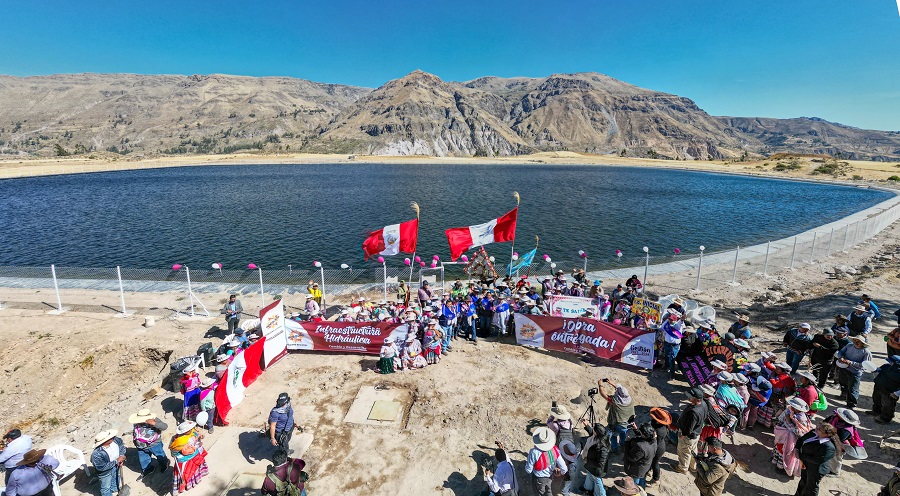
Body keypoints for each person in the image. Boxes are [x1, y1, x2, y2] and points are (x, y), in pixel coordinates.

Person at [772, 397, 813, 477]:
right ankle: (776, 460)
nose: (792, 407)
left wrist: (789, 421)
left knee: (787, 452)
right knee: (779, 448)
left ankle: (782, 467)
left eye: (794, 406)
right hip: (782, 435)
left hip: (791, 439)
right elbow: (780, 419)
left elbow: (799, 433)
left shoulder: (802, 419)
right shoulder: (789, 410)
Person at [794, 423, 839, 496]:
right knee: (803, 481)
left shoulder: (828, 446)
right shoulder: (813, 433)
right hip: (806, 464)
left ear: (826, 434)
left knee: (810, 487)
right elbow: (801, 439)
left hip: (816, 469)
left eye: (819, 429)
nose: (816, 429)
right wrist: (796, 448)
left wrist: (800, 455)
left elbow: (817, 460)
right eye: (817, 427)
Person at [671, 387, 708, 474]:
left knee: (684, 452)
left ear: (697, 399)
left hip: (688, 436)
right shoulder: (704, 404)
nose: (689, 398)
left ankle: (683, 468)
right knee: (693, 450)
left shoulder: (694, 412)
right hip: (696, 434)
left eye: (691, 397)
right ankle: (693, 467)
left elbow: (689, 428)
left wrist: (683, 434)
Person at [525, 426, 568, 496]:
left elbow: (528, 470)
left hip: (539, 478)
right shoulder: (555, 450)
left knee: (540, 493)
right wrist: (560, 473)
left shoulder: (533, 452)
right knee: (549, 492)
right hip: (550, 477)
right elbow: (564, 469)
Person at [129, 409, 170, 481]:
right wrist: (135, 442)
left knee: (160, 454)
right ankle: (147, 469)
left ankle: (164, 464)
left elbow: (164, 426)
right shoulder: (137, 423)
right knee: (143, 459)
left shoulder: (155, 420)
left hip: (154, 444)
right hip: (141, 446)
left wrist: (154, 424)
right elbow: (135, 433)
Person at [169, 421, 209, 494]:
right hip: (186, 460)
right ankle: (188, 484)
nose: (193, 429)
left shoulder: (192, 432)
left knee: (196, 469)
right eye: (190, 429)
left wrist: (201, 436)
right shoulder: (180, 441)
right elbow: (185, 452)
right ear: (186, 431)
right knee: (187, 473)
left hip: (195, 455)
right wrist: (197, 446)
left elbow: (198, 435)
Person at [836, 335, 873, 409]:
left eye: (859, 341)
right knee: (843, 383)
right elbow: (841, 352)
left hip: (855, 372)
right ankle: (843, 395)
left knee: (853, 389)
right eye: (855, 340)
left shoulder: (866, 352)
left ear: (863, 343)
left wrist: (850, 363)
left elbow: (865, 365)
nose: (856, 342)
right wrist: (841, 357)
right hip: (844, 368)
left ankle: (852, 404)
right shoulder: (849, 346)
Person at [597, 379, 635, 453]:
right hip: (627, 423)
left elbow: (602, 393)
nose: (615, 392)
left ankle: (615, 449)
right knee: (623, 435)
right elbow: (622, 391)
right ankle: (623, 447)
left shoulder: (615, 401)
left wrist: (600, 384)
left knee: (614, 436)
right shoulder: (629, 399)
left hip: (618, 423)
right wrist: (612, 383)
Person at [825, 408, 864, 478]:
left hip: (839, 445)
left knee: (836, 458)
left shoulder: (846, 430)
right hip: (831, 440)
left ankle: (835, 472)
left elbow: (838, 439)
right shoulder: (836, 418)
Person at [579, 419, 610, 496]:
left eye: (594, 430)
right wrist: (586, 425)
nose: (593, 431)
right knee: (589, 475)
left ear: (597, 433)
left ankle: (600, 494)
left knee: (597, 480)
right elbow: (591, 434)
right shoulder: (597, 437)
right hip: (590, 465)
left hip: (596, 468)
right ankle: (588, 488)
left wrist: (587, 461)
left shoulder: (603, 448)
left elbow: (600, 463)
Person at [91, 429, 126, 496]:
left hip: (116, 465)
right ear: (105, 441)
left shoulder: (116, 440)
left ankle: (114, 489)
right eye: (110, 437)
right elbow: (101, 467)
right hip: (105, 472)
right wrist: (117, 461)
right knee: (105, 487)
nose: (113, 437)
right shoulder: (97, 454)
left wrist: (121, 456)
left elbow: (121, 446)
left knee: (116, 477)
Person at [623, 423, 655, 488]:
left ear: (643, 434)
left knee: (634, 485)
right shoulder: (654, 441)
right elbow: (642, 437)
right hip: (646, 467)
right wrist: (635, 429)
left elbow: (631, 457)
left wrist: (627, 443)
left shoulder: (640, 446)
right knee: (642, 480)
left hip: (637, 470)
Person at [871, 355, 900, 425]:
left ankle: (885, 418)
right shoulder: (886, 366)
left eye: (891, 362)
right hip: (879, 387)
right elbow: (880, 370)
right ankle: (876, 411)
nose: (889, 363)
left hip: (890, 392)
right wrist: (875, 369)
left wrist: (896, 393)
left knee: (888, 405)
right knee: (876, 399)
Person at [646, 408, 671, 487]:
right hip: (659, 445)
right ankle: (648, 471)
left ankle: (656, 479)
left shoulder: (660, 431)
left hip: (657, 448)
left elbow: (653, 442)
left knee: (655, 463)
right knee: (651, 461)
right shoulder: (661, 425)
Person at [660, 310, 684, 380]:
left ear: (675, 320)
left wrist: (682, 319)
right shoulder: (667, 324)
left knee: (672, 359)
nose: (670, 321)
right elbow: (662, 329)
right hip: (666, 343)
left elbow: (681, 322)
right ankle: (666, 366)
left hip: (674, 346)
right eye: (669, 319)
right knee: (666, 356)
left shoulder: (677, 325)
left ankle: (672, 374)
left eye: (672, 320)